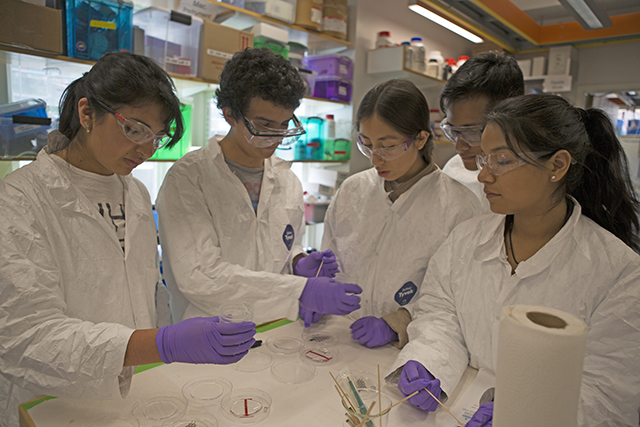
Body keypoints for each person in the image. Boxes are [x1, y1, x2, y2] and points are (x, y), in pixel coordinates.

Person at [0, 52, 256, 427]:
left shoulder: (135, 192)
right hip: (50, 404)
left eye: (157, 136)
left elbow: (140, 294)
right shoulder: (21, 198)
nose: (147, 149)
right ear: (87, 114)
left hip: (134, 394)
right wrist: (161, 343)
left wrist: (164, 342)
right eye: (135, 129)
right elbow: (26, 335)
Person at [390, 94, 640, 426]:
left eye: (502, 160)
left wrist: (529, 413)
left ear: (557, 165)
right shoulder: (465, 239)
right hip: (452, 407)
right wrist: (427, 359)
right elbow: (440, 314)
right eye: (484, 159)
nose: (483, 176)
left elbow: (609, 393)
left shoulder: (617, 271)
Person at [156, 47, 361, 327]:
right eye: (263, 126)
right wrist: (299, 293)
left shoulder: (287, 180)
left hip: (276, 328)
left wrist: (298, 260)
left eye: (284, 125)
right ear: (230, 114)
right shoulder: (189, 179)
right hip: (208, 336)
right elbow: (201, 277)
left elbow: (282, 245)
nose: (275, 137)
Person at [321, 79, 480, 349]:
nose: (375, 158)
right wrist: (317, 291)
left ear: (420, 138)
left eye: (388, 146)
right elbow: (330, 255)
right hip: (338, 335)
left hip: (408, 349)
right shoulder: (353, 189)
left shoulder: (458, 206)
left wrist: (397, 323)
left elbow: (456, 296)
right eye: (366, 143)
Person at [440, 51, 524, 212]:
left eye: (471, 132)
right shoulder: (453, 169)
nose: (459, 147)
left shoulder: (533, 176)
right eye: (453, 131)